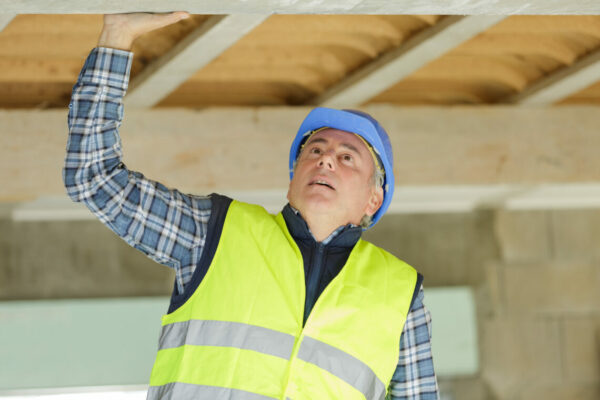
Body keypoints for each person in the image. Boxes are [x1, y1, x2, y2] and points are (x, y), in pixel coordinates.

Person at [63, 12, 439, 400]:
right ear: (293, 176)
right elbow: (95, 178)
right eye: (315, 150)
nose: (326, 160)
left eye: (347, 158)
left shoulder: (402, 296)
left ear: (373, 199)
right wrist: (116, 39)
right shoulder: (213, 233)